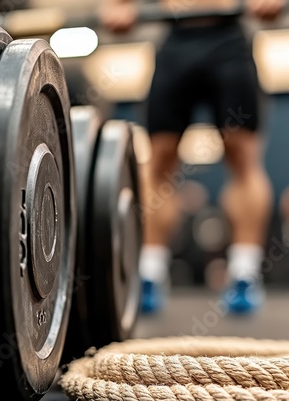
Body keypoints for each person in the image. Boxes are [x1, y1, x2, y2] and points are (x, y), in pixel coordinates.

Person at [101, 0, 285, 314]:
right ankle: (150, 272)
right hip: (176, 39)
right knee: (158, 161)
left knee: (242, 157)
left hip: (229, 38)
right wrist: (118, 6)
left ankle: (244, 274)